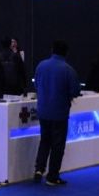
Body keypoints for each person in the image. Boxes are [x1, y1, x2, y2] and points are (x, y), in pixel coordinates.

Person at [34, 40, 80, 186]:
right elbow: (75, 91)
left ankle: (39, 169)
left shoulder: (41, 65)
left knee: (45, 141)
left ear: (52, 49)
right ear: (66, 52)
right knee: (57, 145)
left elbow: (36, 85)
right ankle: (52, 176)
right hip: (59, 112)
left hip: (43, 111)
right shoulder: (68, 70)